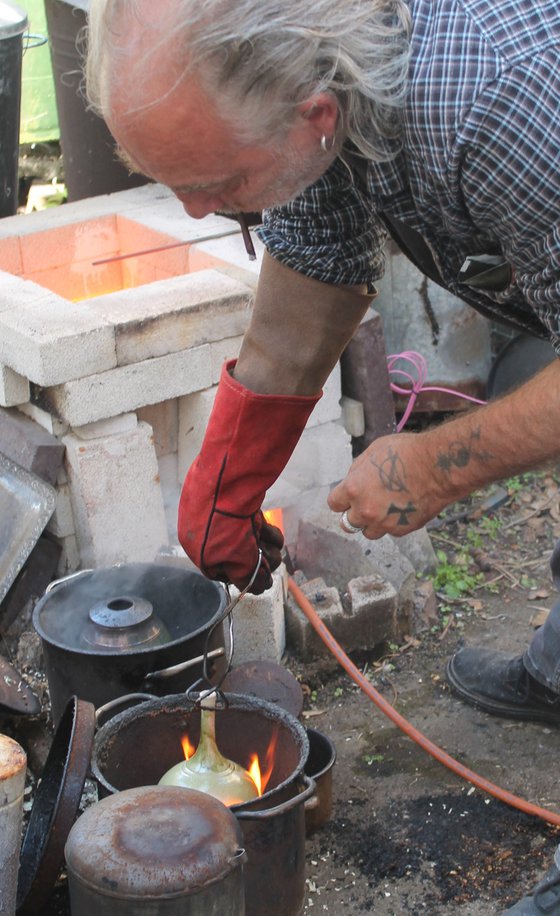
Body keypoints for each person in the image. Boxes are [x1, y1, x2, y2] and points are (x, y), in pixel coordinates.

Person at [86, 0, 560, 911]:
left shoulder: (504, 99)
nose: (190, 209)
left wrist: (432, 463)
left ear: (313, 116)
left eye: (216, 181)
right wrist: (229, 476)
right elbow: (315, 266)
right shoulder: (324, 93)